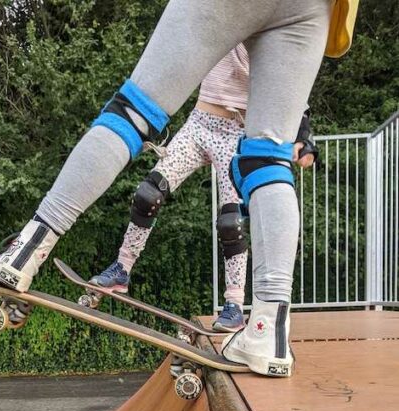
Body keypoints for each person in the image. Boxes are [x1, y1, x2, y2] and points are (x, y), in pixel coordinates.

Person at [0, 0, 359, 377]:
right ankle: (268, 331)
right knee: (268, 160)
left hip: (233, 122)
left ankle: (26, 251)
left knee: (132, 113)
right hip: (313, 8)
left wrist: (305, 135)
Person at [88, 46, 317, 333]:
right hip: (198, 125)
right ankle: (121, 268)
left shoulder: (266, 33)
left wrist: (304, 139)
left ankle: (234, 305)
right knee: (148, 193)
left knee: (231, 222)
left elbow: (292, 87)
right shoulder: (218, 16)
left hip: (235, 134)